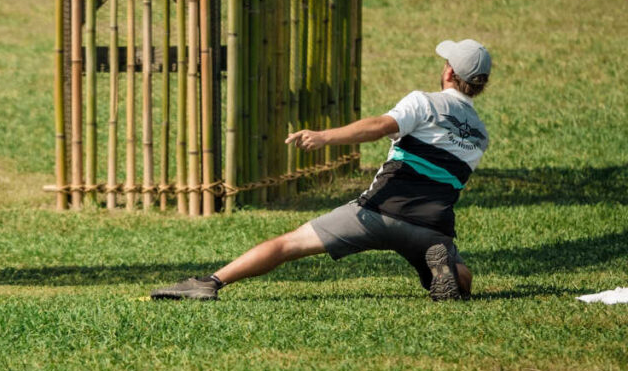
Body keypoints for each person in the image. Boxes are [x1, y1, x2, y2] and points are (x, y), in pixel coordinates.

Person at [151, 39, 492, 303]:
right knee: (463, 278)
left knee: (288, 244)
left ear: (449, 73)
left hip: (378, 212)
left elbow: (378, 126)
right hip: (431, 226)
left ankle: (210, 283)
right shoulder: (480, 136)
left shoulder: (425, 102)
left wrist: (323, 136)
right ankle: (446, 268)